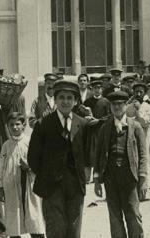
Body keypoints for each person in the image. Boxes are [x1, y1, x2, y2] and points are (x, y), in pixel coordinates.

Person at [27, 79, 91, 238]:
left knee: (74, 229)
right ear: (55, 100)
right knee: (55, 228)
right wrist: (46, 175)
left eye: (70, 98)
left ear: (75, 101)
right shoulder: (43, 124)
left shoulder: (82, 124)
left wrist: (85, 176)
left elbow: (87, 154)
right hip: (52, 186)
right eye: (61, 97)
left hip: (75, 185)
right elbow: (33, 157)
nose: (65, 101)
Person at [93, 89, 147, 238]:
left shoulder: (135, 126)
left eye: (120, 104)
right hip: (110, 177)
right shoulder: (105, 128)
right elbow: (98, 156)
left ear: (125, 106)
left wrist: (143, 178)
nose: (117, 107)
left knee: (133, 214)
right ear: (110, 107)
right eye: (114, 104)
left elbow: (143, 154)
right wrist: (97, 180)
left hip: (129, 176)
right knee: (115, 216)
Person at [0, 112, 45, 238]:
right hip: (11, 185)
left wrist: (29, 166)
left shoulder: (30, 141)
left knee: (34, 217)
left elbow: (40, 163)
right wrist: (1, 186)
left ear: (23, 125)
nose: (14, 127)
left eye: (17, 124)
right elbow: (1, 166)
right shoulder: (6, 145)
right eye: (11, 125)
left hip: (29, 183)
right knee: (14, 220)